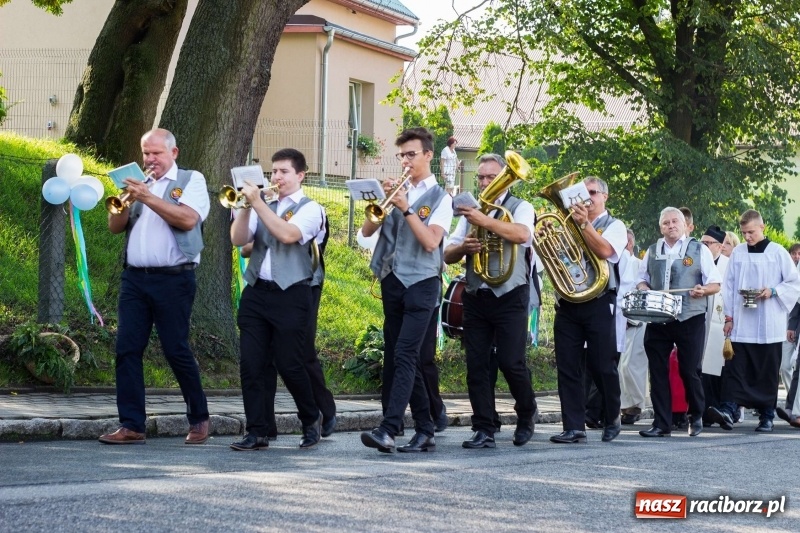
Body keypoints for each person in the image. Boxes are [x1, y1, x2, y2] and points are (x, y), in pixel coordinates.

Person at [99, 128, 210, 445]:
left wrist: (147, 196)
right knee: (127, 349)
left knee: (176, 349)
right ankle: (132, 425)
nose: (150, 159)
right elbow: (115, 227)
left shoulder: (190, 180)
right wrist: (124, 201)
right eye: (146, 153)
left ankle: (199, 418)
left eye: (156, 153)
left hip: (174, 278)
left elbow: (187, 220)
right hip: (135, 278)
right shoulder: (138, 185)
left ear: (173, 153)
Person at [360, 127, 453, 453]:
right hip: (393, 280)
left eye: (411, 154)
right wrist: (380, 202)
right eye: (402, 155)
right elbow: (366, 231)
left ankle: (389, 429)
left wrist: (406, 208)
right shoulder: (398, 192)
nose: (405, 161)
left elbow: (430, 242)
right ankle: (425, 428)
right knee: (401, 355)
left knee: (405, 354)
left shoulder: (442, 199)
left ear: (428, 155)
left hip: (423, 283)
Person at [229, 148, 324, 450]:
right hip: (257, 291)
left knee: (289, 364)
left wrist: (258, 203)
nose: (277, 177)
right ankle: (256, 431)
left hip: (292, 293)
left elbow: (288, 235)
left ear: (300, 175)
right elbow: (238, 240)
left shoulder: (312, 208)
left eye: (284, 171)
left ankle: (310, 418)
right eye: (274, 171)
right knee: (251, 364)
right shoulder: (264, 204)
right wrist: (246, 206)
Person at [443, 153, 538, 449]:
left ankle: (527, 413)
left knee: (511, 362)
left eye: (491, 177)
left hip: (510, 293)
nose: (485, 182)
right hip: (476, 294)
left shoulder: (521, 206)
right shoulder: (470, 211)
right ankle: (484, 427)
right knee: (477, 365)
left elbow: (522, 234)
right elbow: (447, 254)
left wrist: (484, 221)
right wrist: (464, 247)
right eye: (481, 177)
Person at [548, 176, 627, 444]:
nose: (587, 198)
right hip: (568, 300)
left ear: (605, 196)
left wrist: (584, 224)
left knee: (602, 364)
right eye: (582, 193)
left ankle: (612, 415)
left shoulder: (614, 225)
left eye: (592, 192)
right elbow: (556, 259)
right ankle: (573, 426)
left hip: (599, 300)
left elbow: (605, 251)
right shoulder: (566, 223)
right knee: (568, 366)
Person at [707, 209, 800, 432]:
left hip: (769, 323)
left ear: (762, 227)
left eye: (751, 232)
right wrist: (728, 317)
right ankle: (728, 410)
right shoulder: (738, 253)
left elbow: (794, 283)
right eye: (744, 233)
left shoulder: (777, 252)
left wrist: (773, 291)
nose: (747, 237)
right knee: (735, 368)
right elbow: (729, 287)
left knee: (767, 371)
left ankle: (766, 416)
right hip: (742, 322)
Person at [635, 207, 721, 438]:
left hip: (690, 317)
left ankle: (695, 416)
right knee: (657, 370)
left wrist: (703, 290)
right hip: (658, 317)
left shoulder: (699, 249)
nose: (671, 225)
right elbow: (641, 279)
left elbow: (715, 284)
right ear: (660, 227)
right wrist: (644, 288)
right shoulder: (652, 251)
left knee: (689, 369)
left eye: (675, 221)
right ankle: (661, 424)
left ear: (685, 225)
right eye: (666, 223)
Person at [698, 226, 730, 426]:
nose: (703, 246)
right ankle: (702, 410)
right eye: (701, 242)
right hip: (700, 319)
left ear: (719, 246)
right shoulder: (698, 262)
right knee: (699, 366)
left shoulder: (728, 265)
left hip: (721, 321)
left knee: (719, 366)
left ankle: (721, 408)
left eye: (707, 243)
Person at [617, 229, 648, 425]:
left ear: (629, 243)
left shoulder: (638, 264)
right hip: (617, 321)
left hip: (636, 320)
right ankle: (623, 405)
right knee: (619, 366)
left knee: (631, 365)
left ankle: (636, 404)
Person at [778, 243, 800, 397]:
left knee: (794, 364)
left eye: (799, 254)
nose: (797, 257)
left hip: (794, 326)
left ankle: (793, 401)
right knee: (785, 366)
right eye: (794, 253)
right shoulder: (783, 273)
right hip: (783, 326)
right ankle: (791, 397)